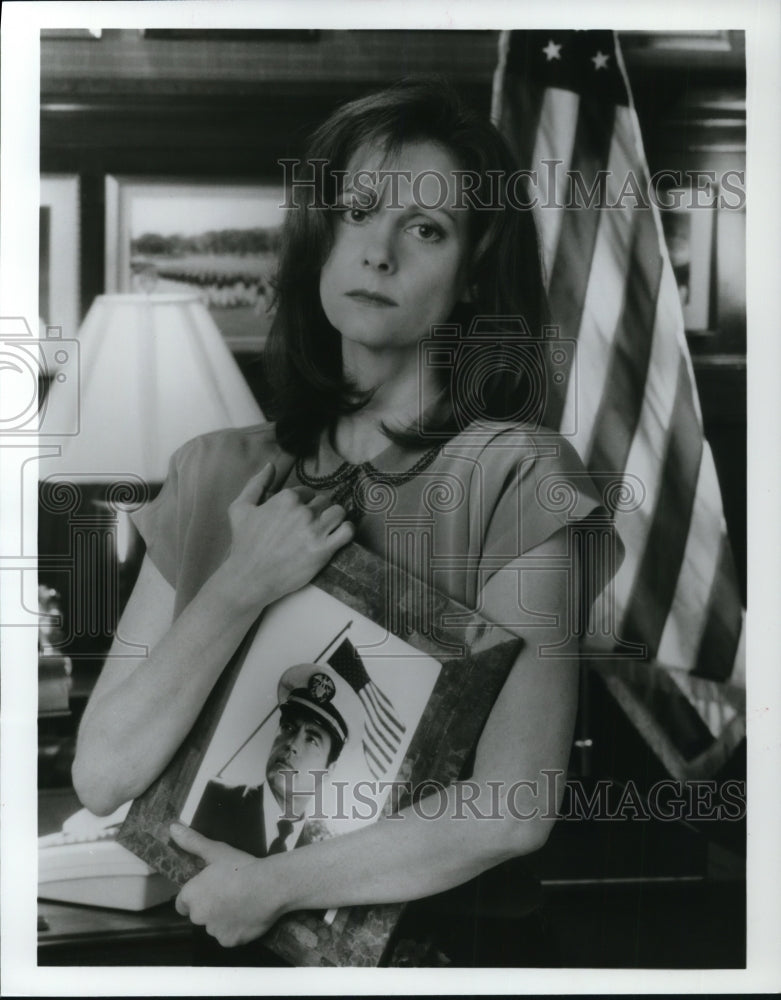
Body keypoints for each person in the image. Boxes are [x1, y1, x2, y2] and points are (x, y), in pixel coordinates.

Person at [72, 78, 620, 962]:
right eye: (358, 212)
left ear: (473, 267)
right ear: (317, 235)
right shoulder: (215, 470)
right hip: (203, 949)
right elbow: (102, 774)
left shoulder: (521, 472)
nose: (379, 254)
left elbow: (514, 806)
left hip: (445, 959)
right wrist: (241, 585)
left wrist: (274, 885)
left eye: (426, 229)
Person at [190, 663, 361, 857]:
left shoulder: (315, 858)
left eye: (312, 740)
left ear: (329, 770)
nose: (292, 744)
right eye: (289, 727)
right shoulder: (212, 799)